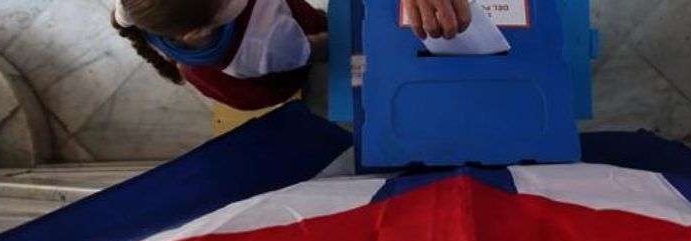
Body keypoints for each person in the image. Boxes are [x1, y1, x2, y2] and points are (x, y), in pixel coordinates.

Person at [111, 0, 473, 112]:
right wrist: (376, 41)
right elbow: (320, 47)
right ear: (196, 32)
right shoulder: (265, 44)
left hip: (216, 70)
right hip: (278, 71)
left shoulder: (138, 12)